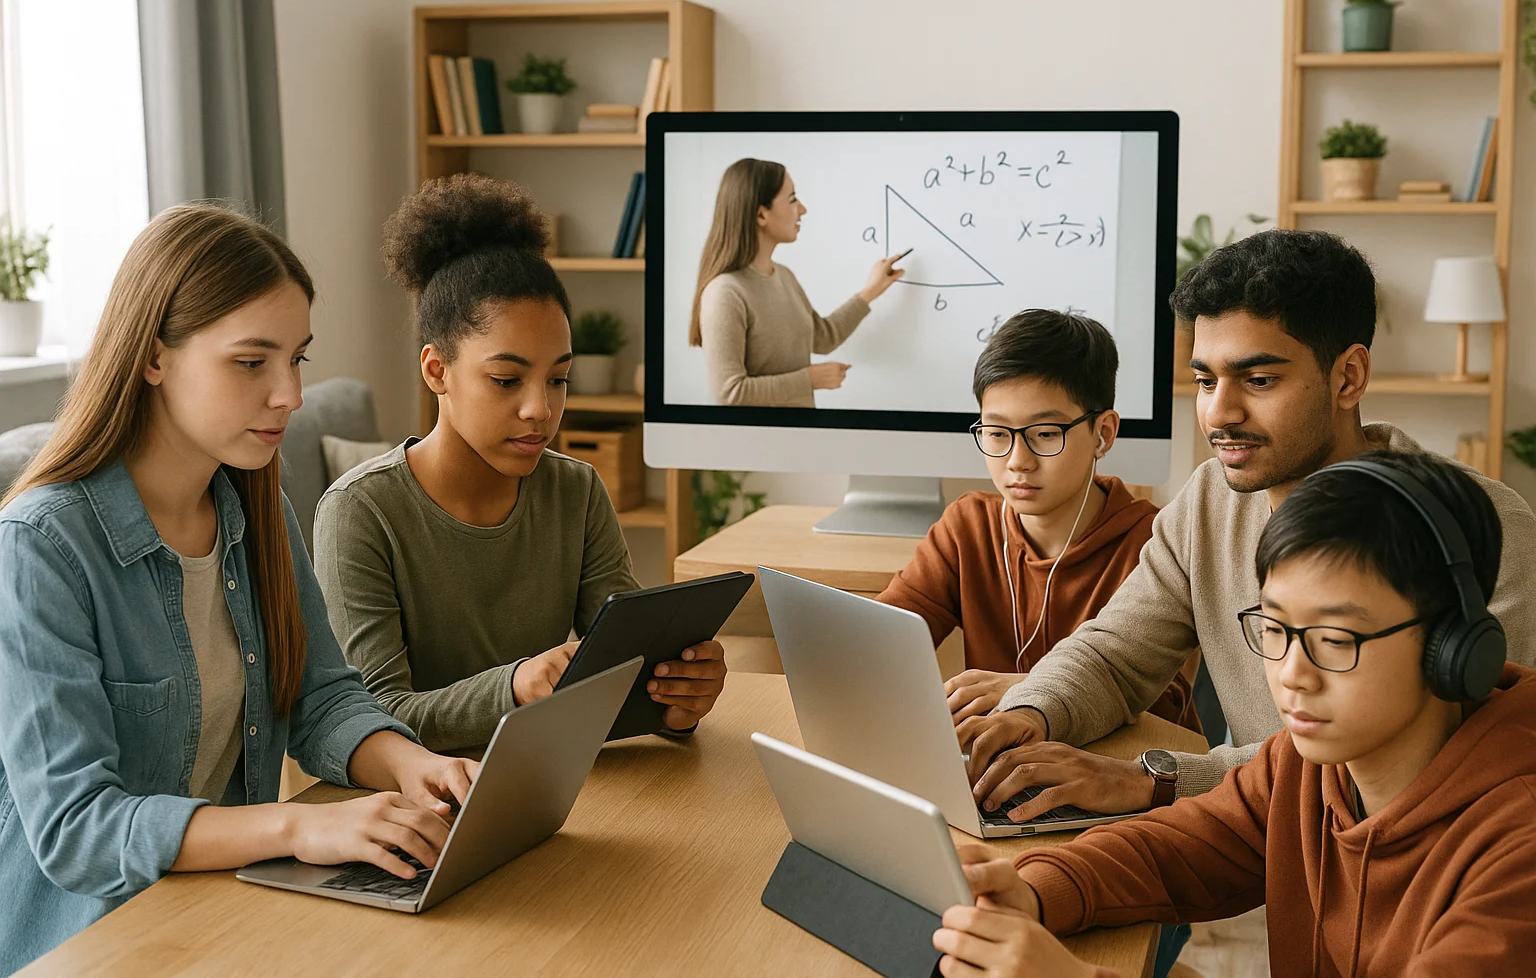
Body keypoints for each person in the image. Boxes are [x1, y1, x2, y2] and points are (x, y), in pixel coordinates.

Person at [0, 205, 478, 975]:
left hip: (221, 914)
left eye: (297, 359)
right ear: (155, 358)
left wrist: (410, 765)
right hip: (89, 942)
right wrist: (295, 830)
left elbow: (320, 698)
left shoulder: (256, 508)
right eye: (252, 362)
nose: (287, 393)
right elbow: (77, 829)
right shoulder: (41, 546)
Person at [961, 229, 1536, 826]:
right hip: (1259, 851)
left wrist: (1156, 778)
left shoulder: (1482, 527)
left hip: (1420, 867)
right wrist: (1027, 715)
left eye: (1258, 381)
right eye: (1207, 381)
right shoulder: (1210, 498)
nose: (1218, 413)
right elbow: (1114, 656)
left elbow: (1428, 757)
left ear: (1349, 378)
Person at [932, 450, 1536, 977]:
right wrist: (1031, 892)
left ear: (1452, 649)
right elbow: (1172, 850)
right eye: (1274, 628)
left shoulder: (1518, 856)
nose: (1291, 674)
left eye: (1334, 639)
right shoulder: (1305, 765)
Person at [314, 174, 727, 753]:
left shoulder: (576, 490)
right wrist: (514, 687)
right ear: (437, 372)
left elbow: (620, 665)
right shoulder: (361, 511)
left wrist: (675, 701)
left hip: (542, 783)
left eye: (558, 378)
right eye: (507, 380)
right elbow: (373, 715)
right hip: (414, 808)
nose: (541, 409)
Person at [877, 309, 1200, 734]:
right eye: (996, 433)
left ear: (1103, 433)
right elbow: (883, 640)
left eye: (1045, 434)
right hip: (997, 764)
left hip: (1115, 769)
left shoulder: (1153, 543)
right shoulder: (967, 527)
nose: (1017, 461)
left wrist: (1031, 691)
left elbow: (1163, 705)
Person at [688, 157, 907, 407]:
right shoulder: (725, 293)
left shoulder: (784, 276)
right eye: (792, 199)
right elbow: (729, 393)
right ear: (761, 214)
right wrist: (810, 379)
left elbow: (822, 338)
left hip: (800, 439)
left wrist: (870, 291)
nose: (802, 209)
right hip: (758, 445)